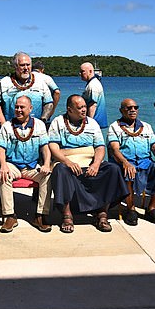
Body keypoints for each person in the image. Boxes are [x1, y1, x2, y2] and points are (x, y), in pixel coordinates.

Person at [48, 95, 129, 233]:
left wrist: (96, 164)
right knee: (60, 170)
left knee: (113, 169)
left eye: (85, 106)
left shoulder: (92, 123)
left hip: (89, 160)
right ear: (69, 109)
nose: (84, 110)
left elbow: (100, 147)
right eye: (80, 108)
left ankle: (102, 213)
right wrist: (67, 162)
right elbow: (53, 146)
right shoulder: (58, 122)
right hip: (67, 160)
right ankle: (67, 215)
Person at [108, 98, 155, 225]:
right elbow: (115, 149)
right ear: (121, 110)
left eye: (135, 108)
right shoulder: (115, 127)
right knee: (128, 172)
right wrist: (125, 162)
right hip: (125, 161)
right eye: (129, 108)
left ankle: (151, 208)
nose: (132, 110)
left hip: (145, 162)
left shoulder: (146, 126)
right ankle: (130, 208)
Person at [0, 96, 53, 233]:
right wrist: (3, 165)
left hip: (32, 166)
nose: (18, 110)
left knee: (48, 176)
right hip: (13, 165)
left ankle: (40, 216)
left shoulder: (39, 125)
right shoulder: (6, 127)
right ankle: (9, 216)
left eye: (22, 107)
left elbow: (45, 148)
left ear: (30, 108)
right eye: (16, 107)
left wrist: (46, 164)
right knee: (4, 174)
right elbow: (1, 148)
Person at [0, 51, 53, 128]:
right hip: (10, 128)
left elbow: (48, 103)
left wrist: (43, 120)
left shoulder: (40, 82)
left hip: (36, 129)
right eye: (22, 65)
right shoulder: (4, 83)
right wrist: (3, 123)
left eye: (28, 65)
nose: (26, 68)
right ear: (15, 66)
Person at [80, 62, 108, 128]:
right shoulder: (94, 83)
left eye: (82, 71)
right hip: (97, 123)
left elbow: (92, 105)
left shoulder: (93, 85)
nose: (80, 74)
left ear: (90, 71)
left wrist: (89, 125)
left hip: (95, 123)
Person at [33, 59, 61, 125]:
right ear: (42, 69)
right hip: (42, 114)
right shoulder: (46, 77)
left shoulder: (27, 77)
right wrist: (52, 110)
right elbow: (57, 92)